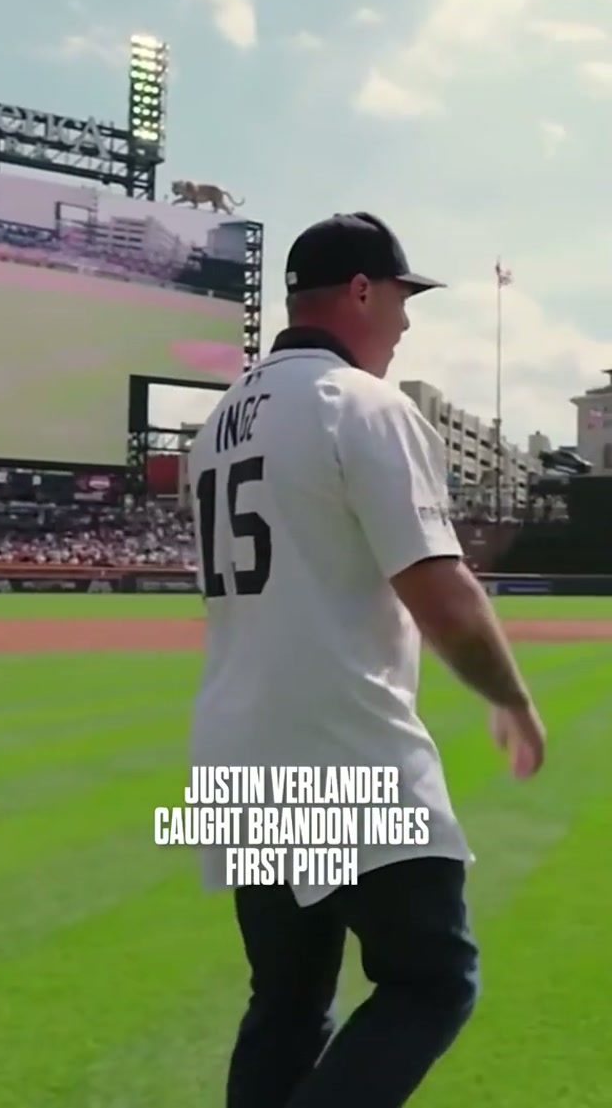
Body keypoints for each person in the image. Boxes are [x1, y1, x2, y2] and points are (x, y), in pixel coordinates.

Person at [188, 211, 547, 1108]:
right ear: (358, 290)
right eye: (398, 297)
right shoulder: (364, 404)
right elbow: (441, 588)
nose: (405, 321)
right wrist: (510, 697)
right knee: (432, 979)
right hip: (340, 748)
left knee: (287, 1002)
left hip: (240, 751)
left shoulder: (221, 418)